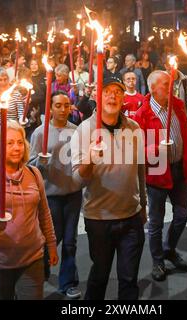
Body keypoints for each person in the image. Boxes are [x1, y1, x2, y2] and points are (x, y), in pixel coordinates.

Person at [70, 76, 147, 300]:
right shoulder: (84, 131)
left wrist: (143, 204)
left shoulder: (134, 128)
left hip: (131, 216)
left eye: (117, 91)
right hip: (99, 218)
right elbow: (77, 180)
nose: (113, 96)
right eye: (107, 91)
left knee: (129, 279)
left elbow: (139, 169)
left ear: (124, 97)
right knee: (100, 276)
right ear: (97, 96)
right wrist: (90, 160)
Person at [0, 121, 58, 300]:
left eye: (20, 142)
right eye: (10, 143)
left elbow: (44, 213)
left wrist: (51, 244)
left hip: (32, 256)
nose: (17, 147)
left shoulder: (34, 173)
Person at [134, 70, 187, 282]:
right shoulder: (142, 114)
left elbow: (186, 133)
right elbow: (136, 150)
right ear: (152, 89)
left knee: (182, 214)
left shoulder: (177, 105)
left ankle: (169, 249)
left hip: (179, 169)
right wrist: (154, 149)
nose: (171, 88)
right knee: (156, 221)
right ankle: (158, 259)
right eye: (166, 85)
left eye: (172, 84)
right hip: (158, 173)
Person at [29, 91, 83, 299]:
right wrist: (40, 163)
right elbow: (31, 163)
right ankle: (41, 268)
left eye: (66, 105)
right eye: (58, 105)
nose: (63, 109)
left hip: (72, 193)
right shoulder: (40, 133)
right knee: (51, 238)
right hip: (49, 194)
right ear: (50, 108)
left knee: (70, 240)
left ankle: (68, 282)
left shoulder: (77, 131)